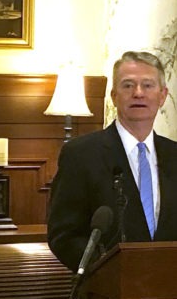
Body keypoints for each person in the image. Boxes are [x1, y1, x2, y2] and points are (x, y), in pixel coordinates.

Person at [47, 51, 177, 273]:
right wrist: (111, 270)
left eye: (147, 85)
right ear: (114, 95)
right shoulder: (80, 154)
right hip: (107, 295)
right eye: (128, 86)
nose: (138, 93)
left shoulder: (173, 154)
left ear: (162, 95)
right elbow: (64, 235)